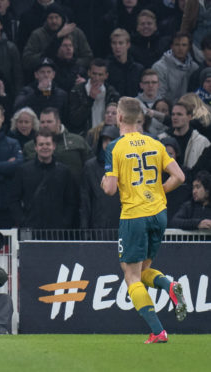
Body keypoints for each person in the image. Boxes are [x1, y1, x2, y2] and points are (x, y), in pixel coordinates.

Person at [101, 96, 187, 343]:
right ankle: (169, 286)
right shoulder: (155, 143)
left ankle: (158, 331)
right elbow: (179, 176)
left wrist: (104, 180)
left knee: (131, 276)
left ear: (119, 117)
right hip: (159, 213)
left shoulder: (115, 147)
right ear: (139, 118)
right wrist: (158, 191)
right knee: (145, 269)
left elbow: (109, 189)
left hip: (134, 215)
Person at [10, 128, 77, 228]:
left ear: (54, 146)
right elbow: (13, 199)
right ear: (35, 147)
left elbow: (71, 201)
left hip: (57, 230)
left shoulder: (64, 172)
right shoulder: (23, 170)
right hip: (30, 227)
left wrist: (65, 222)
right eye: (41, 144)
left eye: (48, 144)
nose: (44, 147)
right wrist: (22, 221)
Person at [24, 107, 93, 188]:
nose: (45, 125)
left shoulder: (78, 141)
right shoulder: (30, 146)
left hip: (74, 192)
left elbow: (91, 168)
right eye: (42, 122)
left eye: (49, 122)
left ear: (58, 122)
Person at [22, 3, 93, 76]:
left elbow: (88, 58)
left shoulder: (76, 33)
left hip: (73, 75)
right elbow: (27, 60)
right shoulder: (37, 34)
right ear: (46, 19)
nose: (54, 21)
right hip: (46, 75)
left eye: (57, 17)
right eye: (50, 18)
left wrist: (72, 63)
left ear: (62, 18)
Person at [80, 125, 121, 229]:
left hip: (123, 225)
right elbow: (85, 202)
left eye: (112, 140)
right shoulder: (90, 167)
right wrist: (85, 232)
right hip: (99, 226)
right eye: (105, 140)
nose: (108, 144)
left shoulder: (128, 165)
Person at [69, 58, 120, 136]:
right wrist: (90, 99)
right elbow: (74, 120)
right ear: (89, 73)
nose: (97, 78)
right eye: (94, 74)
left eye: (100, 75)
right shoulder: (77, 91)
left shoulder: (112, 93)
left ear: (106, 75)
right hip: (85, 137)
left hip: (106, 136)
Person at [152, 32, 198, 103]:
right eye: (177, 45)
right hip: (167, 109)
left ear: (189, 47)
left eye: (184, 45)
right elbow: (159, 95)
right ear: (171, 46)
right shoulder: (159, 67)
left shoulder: (194, 68)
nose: (180, 48)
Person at [167, 101, 210, 169]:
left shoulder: (202, 142)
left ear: (189, 117)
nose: (175, 117)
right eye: (173, 114)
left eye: (179, 114)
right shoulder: (163, 139)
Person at [106, 28, 144, 97]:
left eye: (120, 43)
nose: (117, 47)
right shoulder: (106, 68)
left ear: (128, 45)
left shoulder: (138, 69)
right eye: (114, 43)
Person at [135, 69, 169, 136]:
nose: (150, 85)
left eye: (154, 82)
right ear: (141, 85)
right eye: (147, 82)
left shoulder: (166, 103)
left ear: (158, 85)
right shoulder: (133, 104)